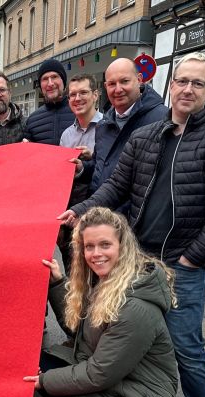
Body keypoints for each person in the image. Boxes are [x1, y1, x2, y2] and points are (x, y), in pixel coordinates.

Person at [59, 52, 205, 397]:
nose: (187, 89)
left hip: (184, 265)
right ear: (169, 86)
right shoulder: (146, 137)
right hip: (140, 261)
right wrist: (81, 211)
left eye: (197, 83)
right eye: (181, 81)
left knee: (186, 346)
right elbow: (115, 186)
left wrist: (195, 256)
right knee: (133, 341)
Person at [25, 208, 177, 397]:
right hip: (114, 383)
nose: (96, 253)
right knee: (33, 365)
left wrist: (44, 381)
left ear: (123, 245)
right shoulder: (107, 280)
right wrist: (58, 282)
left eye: (105, 244)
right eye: (89, 246)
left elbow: (99, 375)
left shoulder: (135, 306)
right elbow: (80, 329)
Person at [88, 58, 167, 196]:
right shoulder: (102, 125)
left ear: (139, 79)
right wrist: (82, 168)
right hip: (101, 211)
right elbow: (99, 166)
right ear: (106, 86)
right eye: (112, 84)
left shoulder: (162, 120)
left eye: (124, 81)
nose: (118, 89)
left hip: (135, 215)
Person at [58, 74, 102, 269]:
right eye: (72, 94)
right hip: (72, 216)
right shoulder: (66, 135)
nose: (77, 98)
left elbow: (113, 171)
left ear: (95, 95)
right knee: (73, 272)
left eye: (83, 92)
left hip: (99, 215)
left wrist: (92, 158)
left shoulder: (109, 128)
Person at [23, 58, 75, 146]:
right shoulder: (32, 121)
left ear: (63, 82)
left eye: (54, 77)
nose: (50, 83)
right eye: (45, 79)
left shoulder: (79, 114)